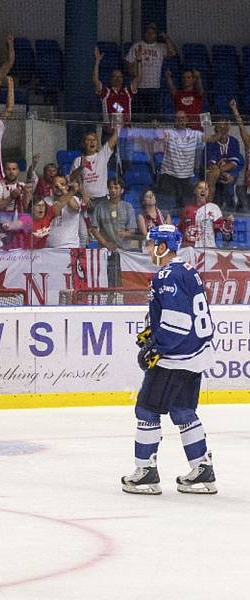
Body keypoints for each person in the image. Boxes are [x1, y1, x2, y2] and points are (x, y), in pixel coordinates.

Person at [122, 224, 217, 495]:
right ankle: (202, 469)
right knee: (182, 410)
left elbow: (176, 322)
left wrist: (157, 346)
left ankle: (146, 473)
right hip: (196, 354)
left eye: (152, 244)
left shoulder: (165, 275)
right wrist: (154, 333)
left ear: (163, 247)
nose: (148, 249)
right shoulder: (188, 269)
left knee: (147, 409)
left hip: (176, 356)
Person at [124, 23, 177, 119]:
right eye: (148, 32)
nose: (150, 35)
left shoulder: (160, 47)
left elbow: (173, 52)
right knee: (137, 115)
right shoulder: (136, 46)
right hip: (138, 87)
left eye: (152, 33)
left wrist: (167, 38)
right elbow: (129, 65)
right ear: (144, 34)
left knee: (153, 117)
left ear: (156, 35)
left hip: (154, 87)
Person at [69, 127, 120, 209]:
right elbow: (71, 180)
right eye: (88, 140)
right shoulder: (78, 160)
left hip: (102, 199)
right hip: (86, 199)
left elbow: (114, 140)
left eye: (94, 140)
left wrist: (117, 124)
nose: (92, 142)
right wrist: (81, 167)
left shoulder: (102, 155)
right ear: (84, 143)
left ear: (97, 143)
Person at [93, 46, 137, 133]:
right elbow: (95, 80)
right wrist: (97, 61)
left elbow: (138, 79)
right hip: (109, 131)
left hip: (125, 131)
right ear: (111, 78)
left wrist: (139, 61)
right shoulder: (106, 92)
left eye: (120, 77)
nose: (118, 79)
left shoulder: (127, 91)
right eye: (115, 76)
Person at [178, 180, 233, 249]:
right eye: (200, 188)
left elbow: (222, 229)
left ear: (208, 192)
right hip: (189, 250)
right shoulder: (187, 209)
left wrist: (228, 223)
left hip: (208, 250)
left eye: (206, 189)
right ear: (195, 191)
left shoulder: (213, 208)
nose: (203, 190)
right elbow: (180, 230)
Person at [205, 116, 244, 209]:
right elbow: (211, 165)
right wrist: (221, 173)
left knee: (229, 180)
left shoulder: (233, 141)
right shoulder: (211, 142)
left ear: (228, 129)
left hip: (230, 172)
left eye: (225, 128)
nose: (223, 131)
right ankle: (208, 206)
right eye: (220, 128)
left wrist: (225, 174)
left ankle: (230, 206)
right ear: (215, 130)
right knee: (212, 174)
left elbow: (233, 163)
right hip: (216, 173)